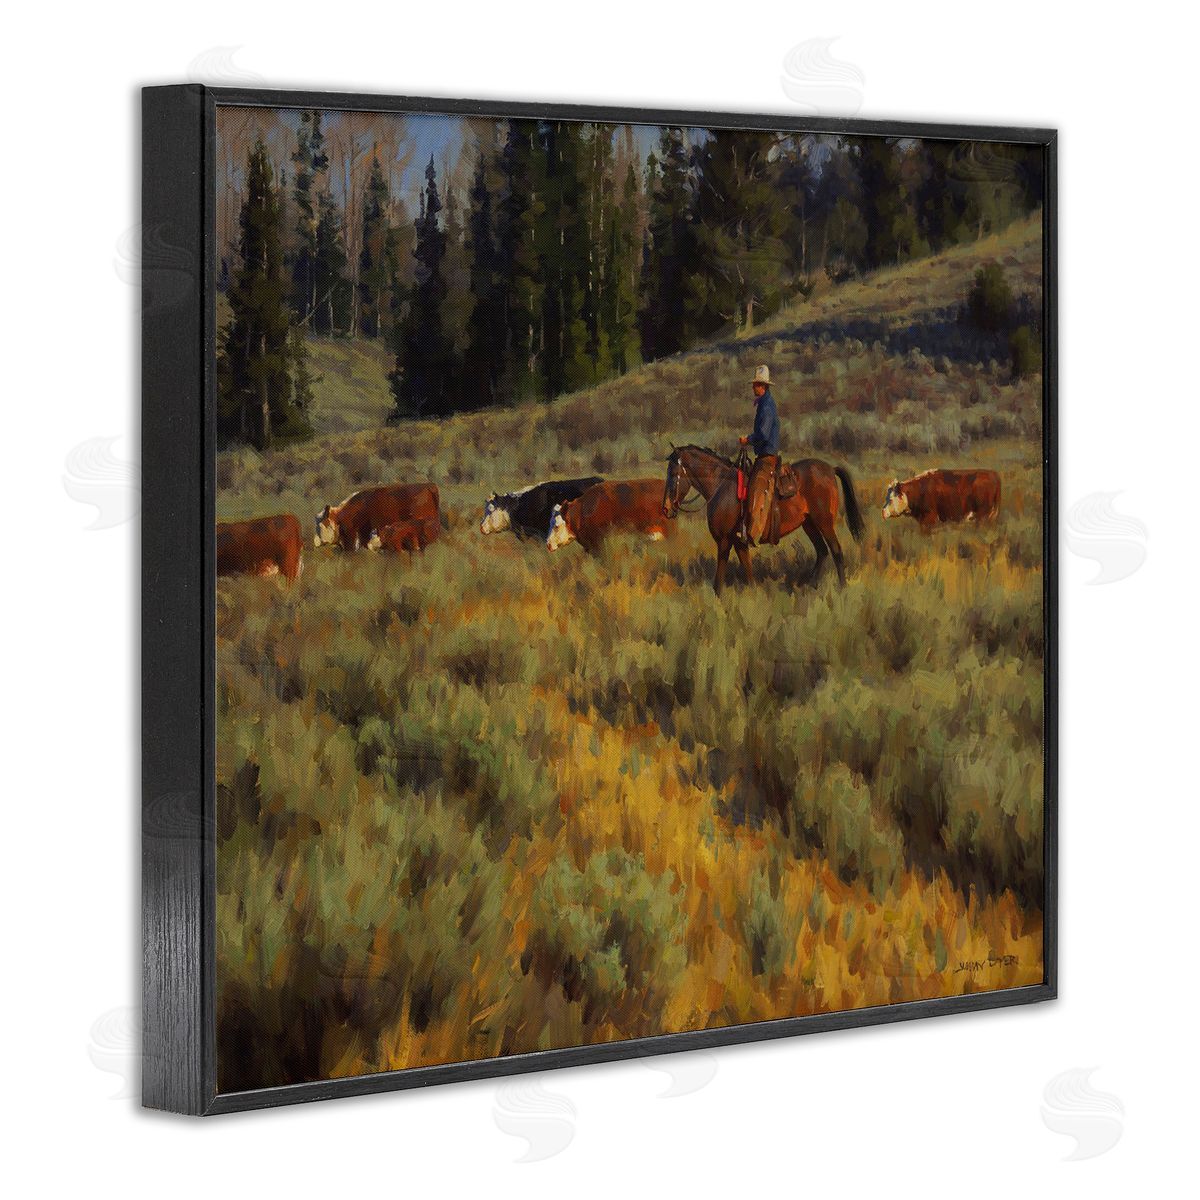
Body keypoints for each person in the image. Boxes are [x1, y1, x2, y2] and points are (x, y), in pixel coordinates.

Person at [738, 364, 780, 544]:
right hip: (762, 456)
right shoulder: (763, 403)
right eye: (754, 384)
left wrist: (748, 439)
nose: (753, 387)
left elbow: (763, 434)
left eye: (756, 384)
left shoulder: (767, 406)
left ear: (763, 386)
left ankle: (753, 533)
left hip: (767, 458)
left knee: (756, 489)